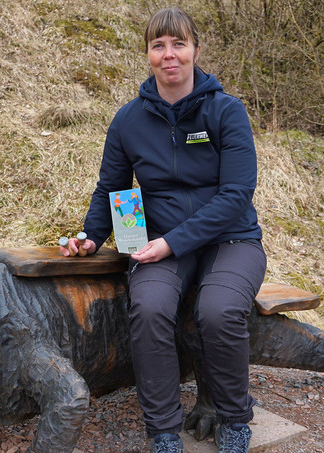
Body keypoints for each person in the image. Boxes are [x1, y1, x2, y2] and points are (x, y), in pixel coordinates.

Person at [61, 7, 265, 453]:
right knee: (150, 308)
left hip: (230, 239)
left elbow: (236, 194)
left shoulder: (227, 111)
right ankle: (164, 430)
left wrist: (172, 241)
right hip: (157, 244)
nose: (168, 55)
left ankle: (234, 418)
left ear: (195, 49)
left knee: (219, 311)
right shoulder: (128, 120)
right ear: (148, 55)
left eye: (178, 44)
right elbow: (111, 188)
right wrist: (92, 236)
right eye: (158, 46)